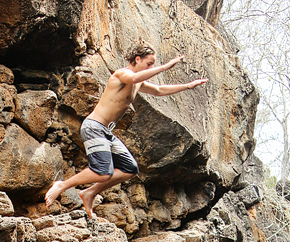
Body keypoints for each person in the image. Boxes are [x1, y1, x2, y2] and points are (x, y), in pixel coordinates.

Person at [44, 41, 207, 218]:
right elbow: (134, 78)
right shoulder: (122, 74)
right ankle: (62, 185)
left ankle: (90, 193)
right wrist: (165, 67)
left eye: (152, 65)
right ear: (137, 59)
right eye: (149, 63)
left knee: (130, 168)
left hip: (106, 132)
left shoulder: (137, 82)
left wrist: (188, 85)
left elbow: (159, 90)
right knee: (102, 171)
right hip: (94, 127)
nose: (150, 67)